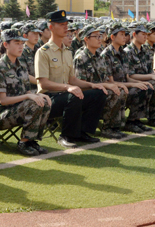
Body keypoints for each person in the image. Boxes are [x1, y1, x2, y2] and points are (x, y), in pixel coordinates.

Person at [35, 10, 107, 148]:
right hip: (49, 98)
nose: (65, 27)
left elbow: (72, 80)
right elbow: (43, 83)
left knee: (99, 93)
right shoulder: (43, 52)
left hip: (66, 95)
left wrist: (92, 85)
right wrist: (68, 87)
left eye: (66, 24)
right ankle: (66, 135)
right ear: (51, 27)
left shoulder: (68, 52)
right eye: (61, 24)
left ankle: (83, 131)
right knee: (73, 96)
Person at [0, 28, 51, 156]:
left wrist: (38, 94)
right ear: (6, 44)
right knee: (32, 103)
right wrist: (29, 96)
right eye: (17, 43)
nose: (21, 46)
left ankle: (32, 140)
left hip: (18, 109)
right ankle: (24, 142)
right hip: (0, 115)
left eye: (22, 43)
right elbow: (3, 100)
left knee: (44, 101)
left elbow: (26, 90)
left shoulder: (21, 66)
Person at [73, 25, 123, 139]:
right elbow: (80, 83)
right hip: (87, 93)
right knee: (111, 93)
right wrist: (104, 86)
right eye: (96, 36)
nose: (99, 39)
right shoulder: (81, 58)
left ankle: (113, 127)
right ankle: (106, 129)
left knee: (119, 90)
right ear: (86, 39)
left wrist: (113, 85)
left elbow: (105, 79)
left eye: (100, 36)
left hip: (100, 90)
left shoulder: (99, 57)